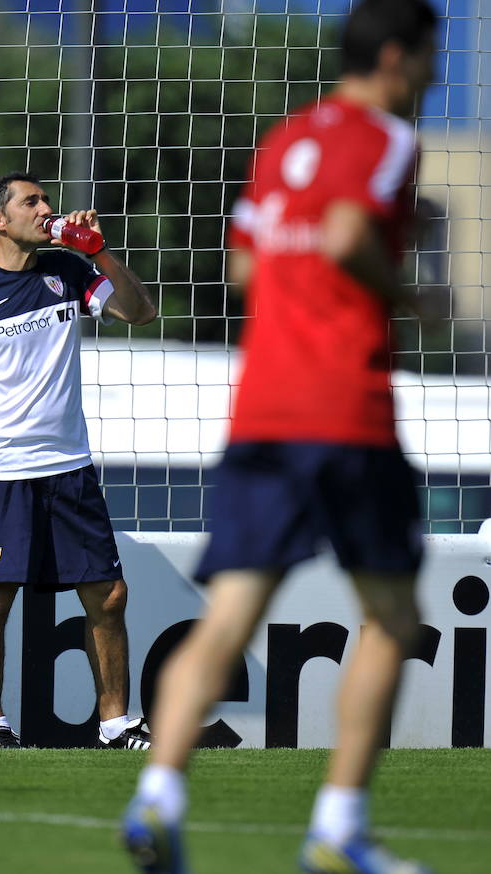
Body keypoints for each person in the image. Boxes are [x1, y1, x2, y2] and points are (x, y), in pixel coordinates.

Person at [122, 1, 440, 873]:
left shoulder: (283, 141)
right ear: (394, 58)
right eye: (429, 58)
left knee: (227, 616)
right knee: (392, 616)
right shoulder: (388, 142)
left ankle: (158, 795)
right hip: (344, 413)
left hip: (262, 407)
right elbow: (344, 235)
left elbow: (246, 266)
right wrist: (410, 301)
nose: (436, 77)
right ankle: (338, 828)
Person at [0, 172, 158, 750]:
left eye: (46, 200)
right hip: (1, 472)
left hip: (70, 465)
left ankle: (116, 723)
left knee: (108, 594)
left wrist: (99, 252)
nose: (47, 209)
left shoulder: (70, 271)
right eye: (32, 202)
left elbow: (139, 312)